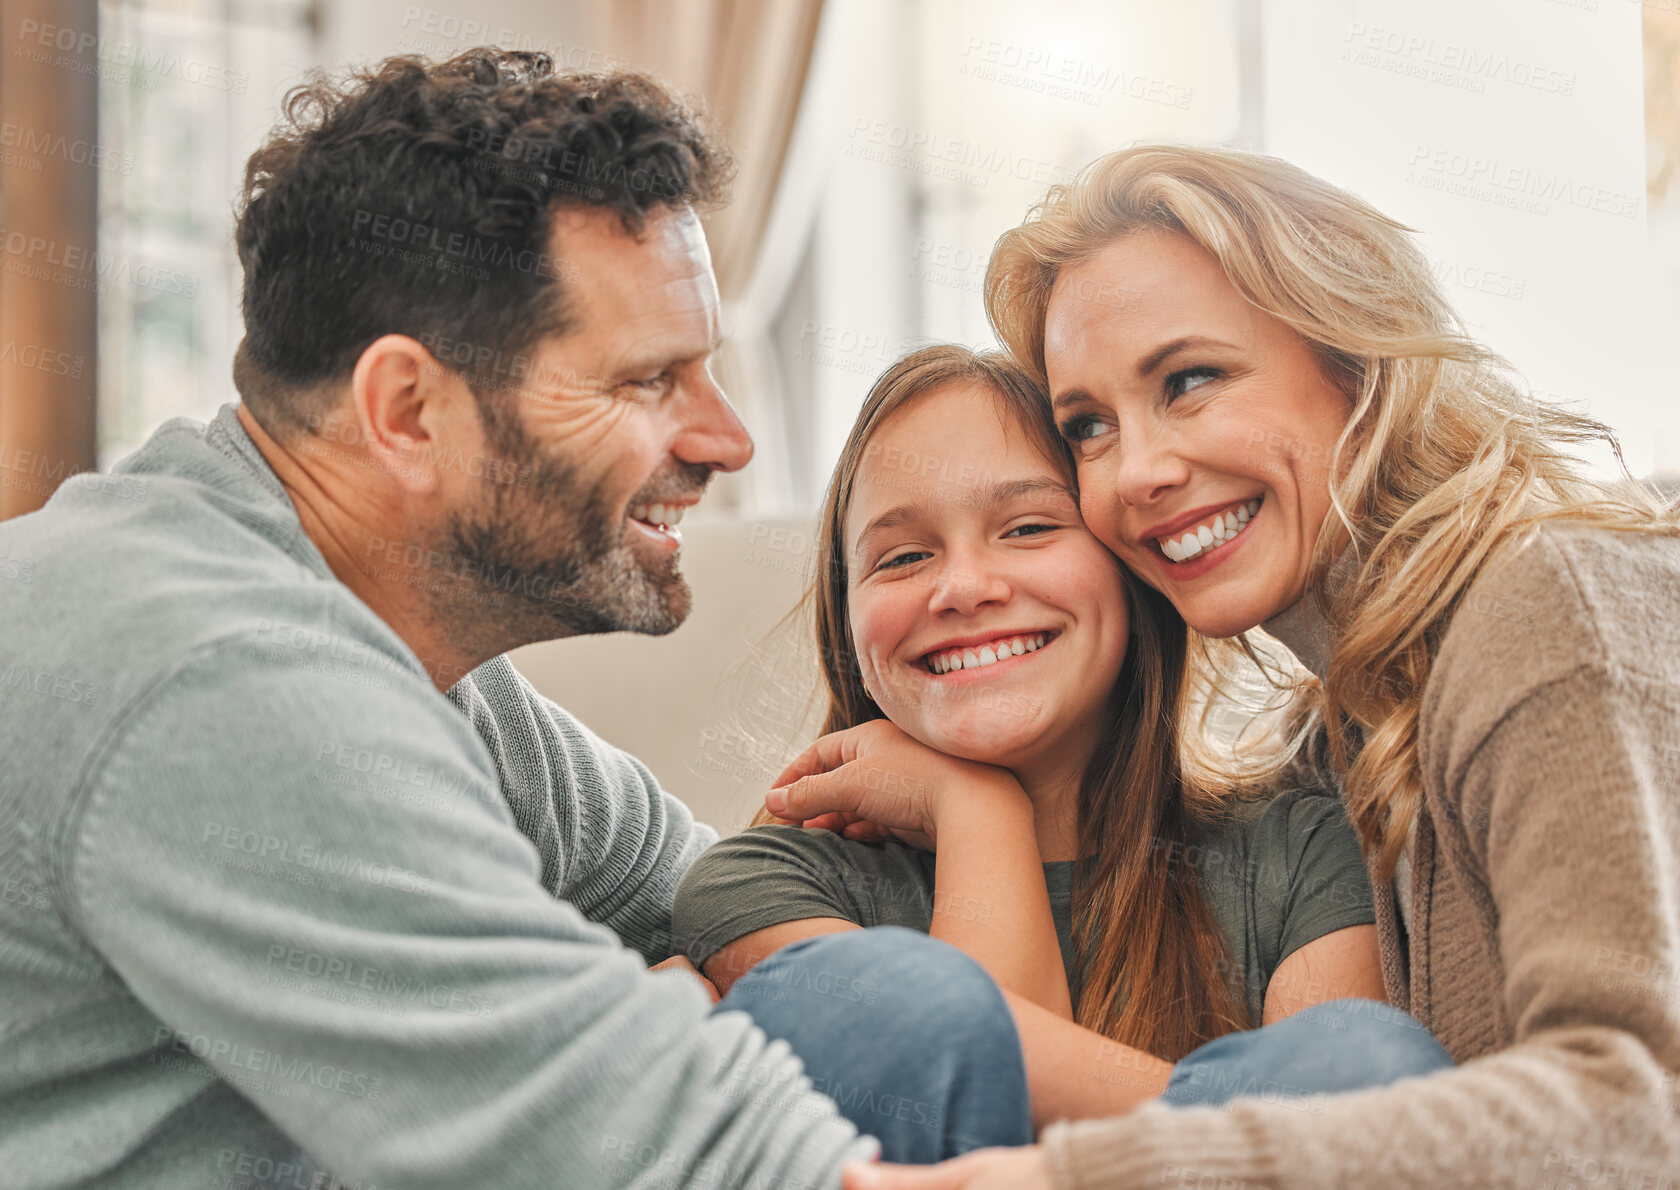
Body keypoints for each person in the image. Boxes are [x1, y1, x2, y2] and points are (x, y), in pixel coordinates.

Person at [0, 50, 1032, 1190]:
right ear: (407, 410)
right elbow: (728, 1164)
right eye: (648, 381)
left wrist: (959, 805)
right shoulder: (219, 676)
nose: (727, 438)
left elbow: (718, 906)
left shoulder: (415, 662)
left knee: (890, 1010)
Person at [846, 144, 1680, 1188]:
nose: (1139, 471)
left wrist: (1083, 1174)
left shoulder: (1550, 601)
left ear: (1355, 353)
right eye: (1089, 427)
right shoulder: (1337, 734)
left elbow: (1635, 1112)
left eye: (1190, 380)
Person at [674, 344, 1452, 1147]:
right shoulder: (762, 885)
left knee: (1360, 1058)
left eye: (1030, 527)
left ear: (1131, 571)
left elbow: (1351, 1136)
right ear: (848, 621)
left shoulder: (1302, 855)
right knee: (881, 1000)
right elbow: (965, 1072)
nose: (965, 587)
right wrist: (978, 810)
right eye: (903, 556)